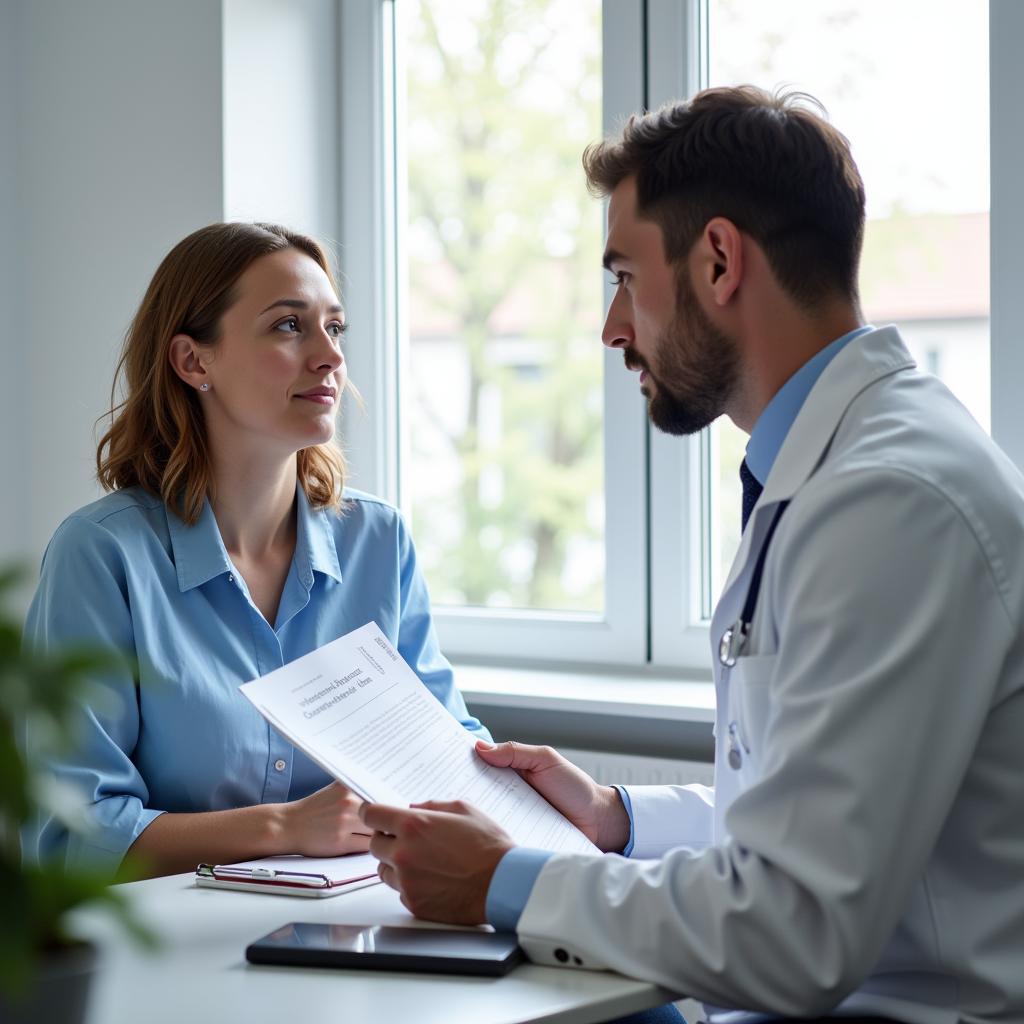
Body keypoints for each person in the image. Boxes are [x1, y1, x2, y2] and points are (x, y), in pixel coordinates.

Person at [359, 86, 1024, 1023]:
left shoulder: (891, 500)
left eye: (624, 277)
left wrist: (504, 881)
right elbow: (815, 822)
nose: (611, 329)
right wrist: (614, 817)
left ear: (717, 260)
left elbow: (796, 929)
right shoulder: (841, 468)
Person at [23, 222, 489, 879]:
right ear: (193, 362)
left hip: (360, 925)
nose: (328, 356)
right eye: (288, 326)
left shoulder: (378, 542)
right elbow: (72, 839)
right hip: (167, 955)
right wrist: (285, 828)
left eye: (335, 327)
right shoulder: (102, 556)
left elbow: (441, 753)